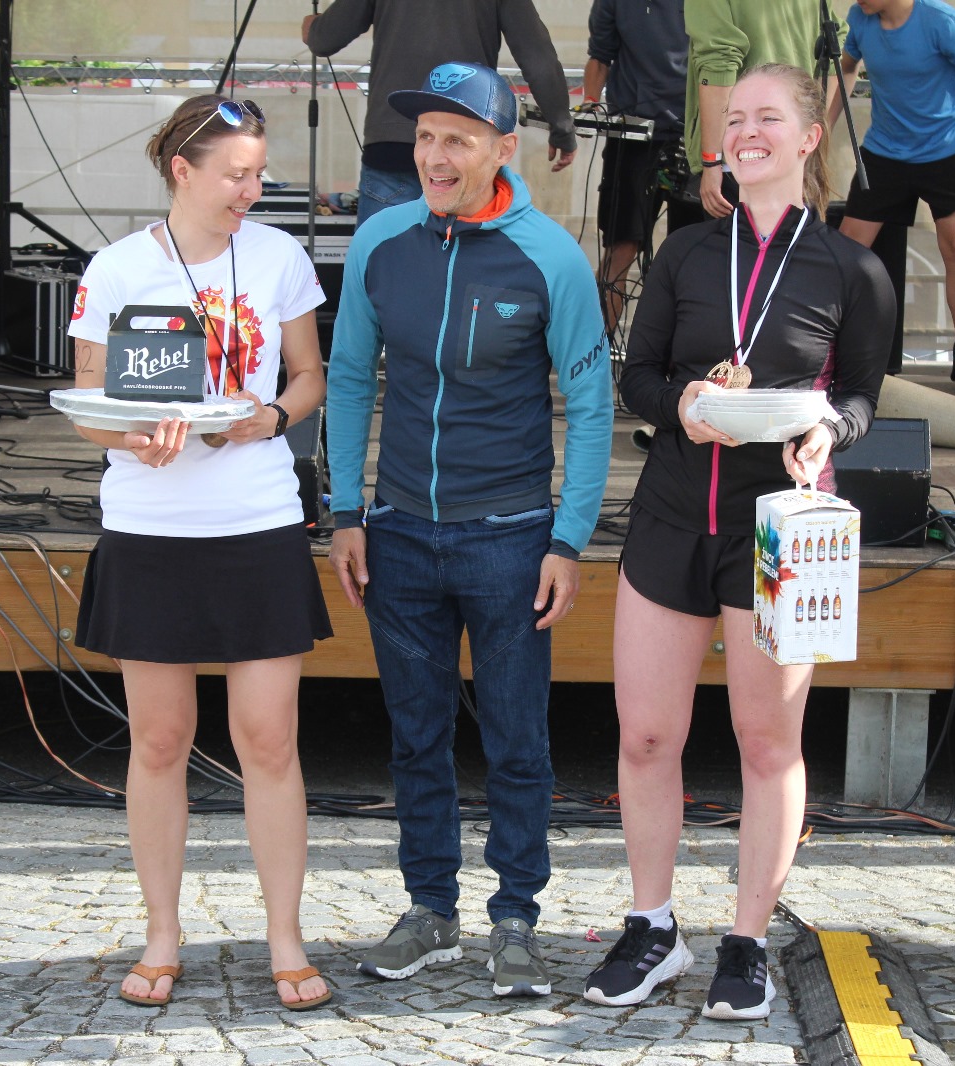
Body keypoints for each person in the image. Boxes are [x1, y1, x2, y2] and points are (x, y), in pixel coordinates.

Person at [586, 63, 894, 1019]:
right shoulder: (686, 252)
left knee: (767, 742)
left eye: (768, 117)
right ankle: (652, 927)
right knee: (646, 736)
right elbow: (636, 376)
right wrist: (680, 404)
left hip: (778, 533)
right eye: (735, 118)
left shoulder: (853, 269)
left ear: (808, 138)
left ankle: (748, 941)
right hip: (673, 518)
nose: (747, 131)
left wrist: (829, 431)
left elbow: (861, 399)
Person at [324, 62, 614, 997]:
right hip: (399, 535)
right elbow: (349, 380)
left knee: (518, 742)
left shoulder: (552, 259)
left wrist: (567, 540)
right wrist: (345, 513)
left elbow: (593, 408)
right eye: (424, 138)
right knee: (416, 737)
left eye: (457, 139)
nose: (435, 156)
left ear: (503, 149)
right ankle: (431, 911)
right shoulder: (381, 241)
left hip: (511, 539)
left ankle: (516, 918)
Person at [65, 94, 333, 1013]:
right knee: (158, 740)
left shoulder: (280, 256)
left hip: (257, 523)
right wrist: (130, 437)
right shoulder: (116, 267)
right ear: (182, 170)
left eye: (257, 174)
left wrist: (272, 416)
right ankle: (162, 934)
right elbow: (88, 402)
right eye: (235, 175)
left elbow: (308, 376)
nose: (251, 190)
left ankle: (286, 937)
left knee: (269, 739)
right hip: (150, 529)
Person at [302, 0, 578, 224]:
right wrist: (562, 128)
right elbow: (538, 58)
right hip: (464, 146)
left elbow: (324, 39)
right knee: (461, 268)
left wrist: (311, 26)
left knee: (383, 263)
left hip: (393, 141)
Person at [826, 0, 955, 337]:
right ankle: (828, 351)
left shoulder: (941, 21)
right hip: (885, 151)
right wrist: (824, 127)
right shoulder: (859, 18)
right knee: (845, 253)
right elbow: (847, 68)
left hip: (947, 152)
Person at [584, 0, 702, 333]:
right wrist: (590, 103)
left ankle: (679, 356)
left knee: (692, 257)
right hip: (633, 135)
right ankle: (595, 351)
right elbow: (600, 55)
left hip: (695, 136)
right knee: (620, 249)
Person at [684, 0, 823, 220]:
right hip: (797, 151)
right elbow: (834, 50)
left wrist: (712, 161)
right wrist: (808, 136)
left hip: (739, 160)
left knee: (737, 242)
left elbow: (718, 62)